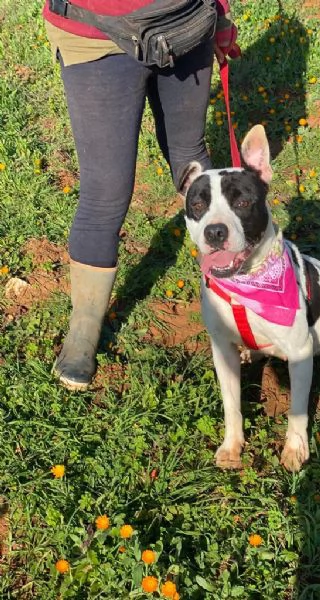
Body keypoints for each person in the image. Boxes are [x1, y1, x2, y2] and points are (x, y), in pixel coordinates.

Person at [42, 0, 239, 390]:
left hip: (183, 23)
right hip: (96, 36)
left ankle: (235, 293)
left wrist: (219, 14)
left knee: (191, 160)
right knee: (106, 190)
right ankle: (83, 331)